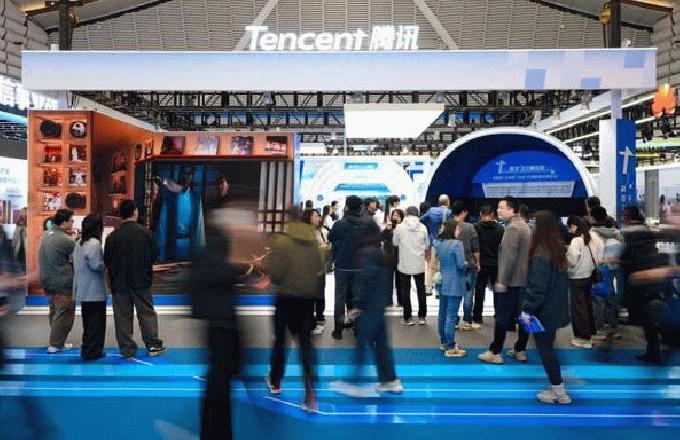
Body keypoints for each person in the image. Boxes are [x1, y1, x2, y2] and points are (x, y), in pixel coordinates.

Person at [190, 179, 241, 440]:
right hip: (223, 322)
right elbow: (220, 275)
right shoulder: (219, 248)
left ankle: (212, 432)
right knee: (219, 386)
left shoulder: (207, 249)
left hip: (215, 322)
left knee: (216, 383)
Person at [332, 226, 403, 397]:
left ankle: (354, 382)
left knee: (361, 345)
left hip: (368, 308)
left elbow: (365, 280)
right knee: (382, 346)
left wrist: (357, 304)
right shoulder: (381, 254)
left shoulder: (366, 254)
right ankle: (390, 380)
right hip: (379, 307)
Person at [266, 209, 325, 412]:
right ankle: (310, 391)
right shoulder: (314, 242)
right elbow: (320, 270)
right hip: (306, 301)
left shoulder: (281, 241)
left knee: (280, 342)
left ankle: (275, 381)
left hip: (285, 299)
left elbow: (275, 273)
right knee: (306, 345)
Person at [519, 211, 572, 404]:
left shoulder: (541, 254)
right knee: (547, 348)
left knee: (545, 350)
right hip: (554, 309)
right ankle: (556, 385)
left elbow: (537, 289)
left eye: (534, 223)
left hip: (542, 312)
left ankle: (559, 391)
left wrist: (526, 308)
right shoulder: (556, 250)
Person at [104, 199, 166, 358]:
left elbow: (107, 260)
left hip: (119, 282)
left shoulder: (112, 237)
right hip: (141, 280)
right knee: (146, 313)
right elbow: (154, 255)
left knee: (122, 316)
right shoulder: (146, 233)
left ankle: (127, 349)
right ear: (135, 212)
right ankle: (153, 345)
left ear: (120, 215)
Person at [479, 196, 531, 365]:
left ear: (511, 210)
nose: (498, 210)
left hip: (511, 282)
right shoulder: (524, 226)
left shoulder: (512, 229)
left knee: (502, 317)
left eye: (502, 207)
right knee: (524, 317)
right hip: (524, 280)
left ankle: (495, 352)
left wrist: (501, 281)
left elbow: (508, 258)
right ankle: (520, 349)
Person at [329, 195, 379, 339]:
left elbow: (331, 238)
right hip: (361, 266)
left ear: (347, 207)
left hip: (342, 266)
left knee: (340, 298)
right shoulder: (368, 223)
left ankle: (338, 330)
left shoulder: (340, 224)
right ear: (361, 207)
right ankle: (358, 329)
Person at [38, 208, 76, 353]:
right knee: (64, 312)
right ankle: (55, 343)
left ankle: (58, 342)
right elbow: (77, 256)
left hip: (47, 280)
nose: (72, 223)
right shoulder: (66, 240)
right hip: (62, 281)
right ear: (64, 222)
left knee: (54, 311)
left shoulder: (46, 235)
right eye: (71, 221)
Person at [566, 215, 604, 349]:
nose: (569, 230)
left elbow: (572, 260)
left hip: (577, 277)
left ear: (574, 226)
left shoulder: (576, 240)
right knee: (587, 305)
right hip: (589, 275)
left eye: (570, 226)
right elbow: (600, 256)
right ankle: (591, 332)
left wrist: (566, 257)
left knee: (578, 308)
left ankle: (583, 337)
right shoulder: (594, 237)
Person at [73, 214, 107, 361]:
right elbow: (96, 265)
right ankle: (94, 351)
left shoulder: (79, 243)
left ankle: (87, 348)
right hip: (94, 289)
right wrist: (107, 263)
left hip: (82, 287)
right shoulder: (94, 244)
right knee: (97, 323)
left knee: (87, 322)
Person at [154, 166, 206, 261]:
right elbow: (163, 223)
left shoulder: (195, 197)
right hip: (173, 243)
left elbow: (199, 226)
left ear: (192, 176)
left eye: (189, 174)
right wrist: (161, 251)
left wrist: (199, 251)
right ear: (180, 175)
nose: (186, 177)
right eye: (184, 174)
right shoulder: (170, 196)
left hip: (190, 244)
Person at [433, 220, 467, 357]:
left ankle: (443, 342)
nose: (459, 231)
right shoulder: (457, 244)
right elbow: (460, 265)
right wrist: (466, 263)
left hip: (443, 282)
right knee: (451, 316)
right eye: (458, 229)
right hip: (455, 283)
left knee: (442, 314)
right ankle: (451, 346)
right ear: (453, 229)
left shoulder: (438, 243)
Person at [589, 206, 623, 341]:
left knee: (598, 299)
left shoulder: (591, 234)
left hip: (598, 269)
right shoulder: (617, 233)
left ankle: (599, 329)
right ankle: (612, 328)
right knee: (610, 298)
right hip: (612, 269)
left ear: (592, 218)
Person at [393, 206, 429, 326]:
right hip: (419, 263)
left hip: (405, 263)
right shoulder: (423, 227)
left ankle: (408, 318)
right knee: (421, 291)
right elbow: (427, 245)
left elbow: (395, 242)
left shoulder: (400, 227)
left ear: (407, 214)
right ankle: (422, 317)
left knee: (405, 291)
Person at [451, 201, 480, 330]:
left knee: (454, 293)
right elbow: (475, 247)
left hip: (453, 265)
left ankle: (454, 320)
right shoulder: (469, 227)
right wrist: (477, 262)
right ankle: (467, 321)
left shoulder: (448, 225)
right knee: (468, 293)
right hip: (468, 264)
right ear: (463, 212)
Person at [301, 208, 330, 334]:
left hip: (319, 268)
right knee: (309, 299)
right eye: (316, 215)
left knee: (318, 294)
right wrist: (322, 247)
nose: (319, 218)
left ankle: (315, 319)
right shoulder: (306, 232)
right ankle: (309, 325)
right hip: (310, 270)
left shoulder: (317, 231)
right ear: (309, 217)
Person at [473, 205, 504, 324]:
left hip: (480, 263)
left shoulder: (475, 227)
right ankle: (498, 314)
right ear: (492, 214)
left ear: (480, 214)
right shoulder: (500, 229)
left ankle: (477, 316)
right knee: (497, 290)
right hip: (496, 263)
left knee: (479, 290)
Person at [421, 195, 451, 296]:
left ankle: (428, 289)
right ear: (448, 202)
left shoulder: (431, 211)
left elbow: (421, 220)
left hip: (434, 242)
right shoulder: (449, 212)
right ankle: (439, 291)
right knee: (443, 267)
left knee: (432, 267)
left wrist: (429, 230)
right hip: (446, 244)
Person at [382, 209, 404, 307]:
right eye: (394, 215)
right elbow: (382, 238)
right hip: (389, 256)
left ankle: (401, 300)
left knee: (400, 281)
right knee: (388, 280)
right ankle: (388, 300)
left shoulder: (403, 228)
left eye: (397, 215)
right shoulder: (389, 227)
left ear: (401, 217)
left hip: (400, 257)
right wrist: (387, 230)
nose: (395, 217)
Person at [12, 207, 27, 272]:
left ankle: (25, 270)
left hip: (25, 242)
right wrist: (14, 243)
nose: (21, 213)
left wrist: (23, 229)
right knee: (19, 256)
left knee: (25, 256)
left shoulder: (29, 221)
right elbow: (16, 232)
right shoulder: (19, 221)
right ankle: (21, 269)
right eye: (21, 212)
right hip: (19, 242)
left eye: (23, 212)